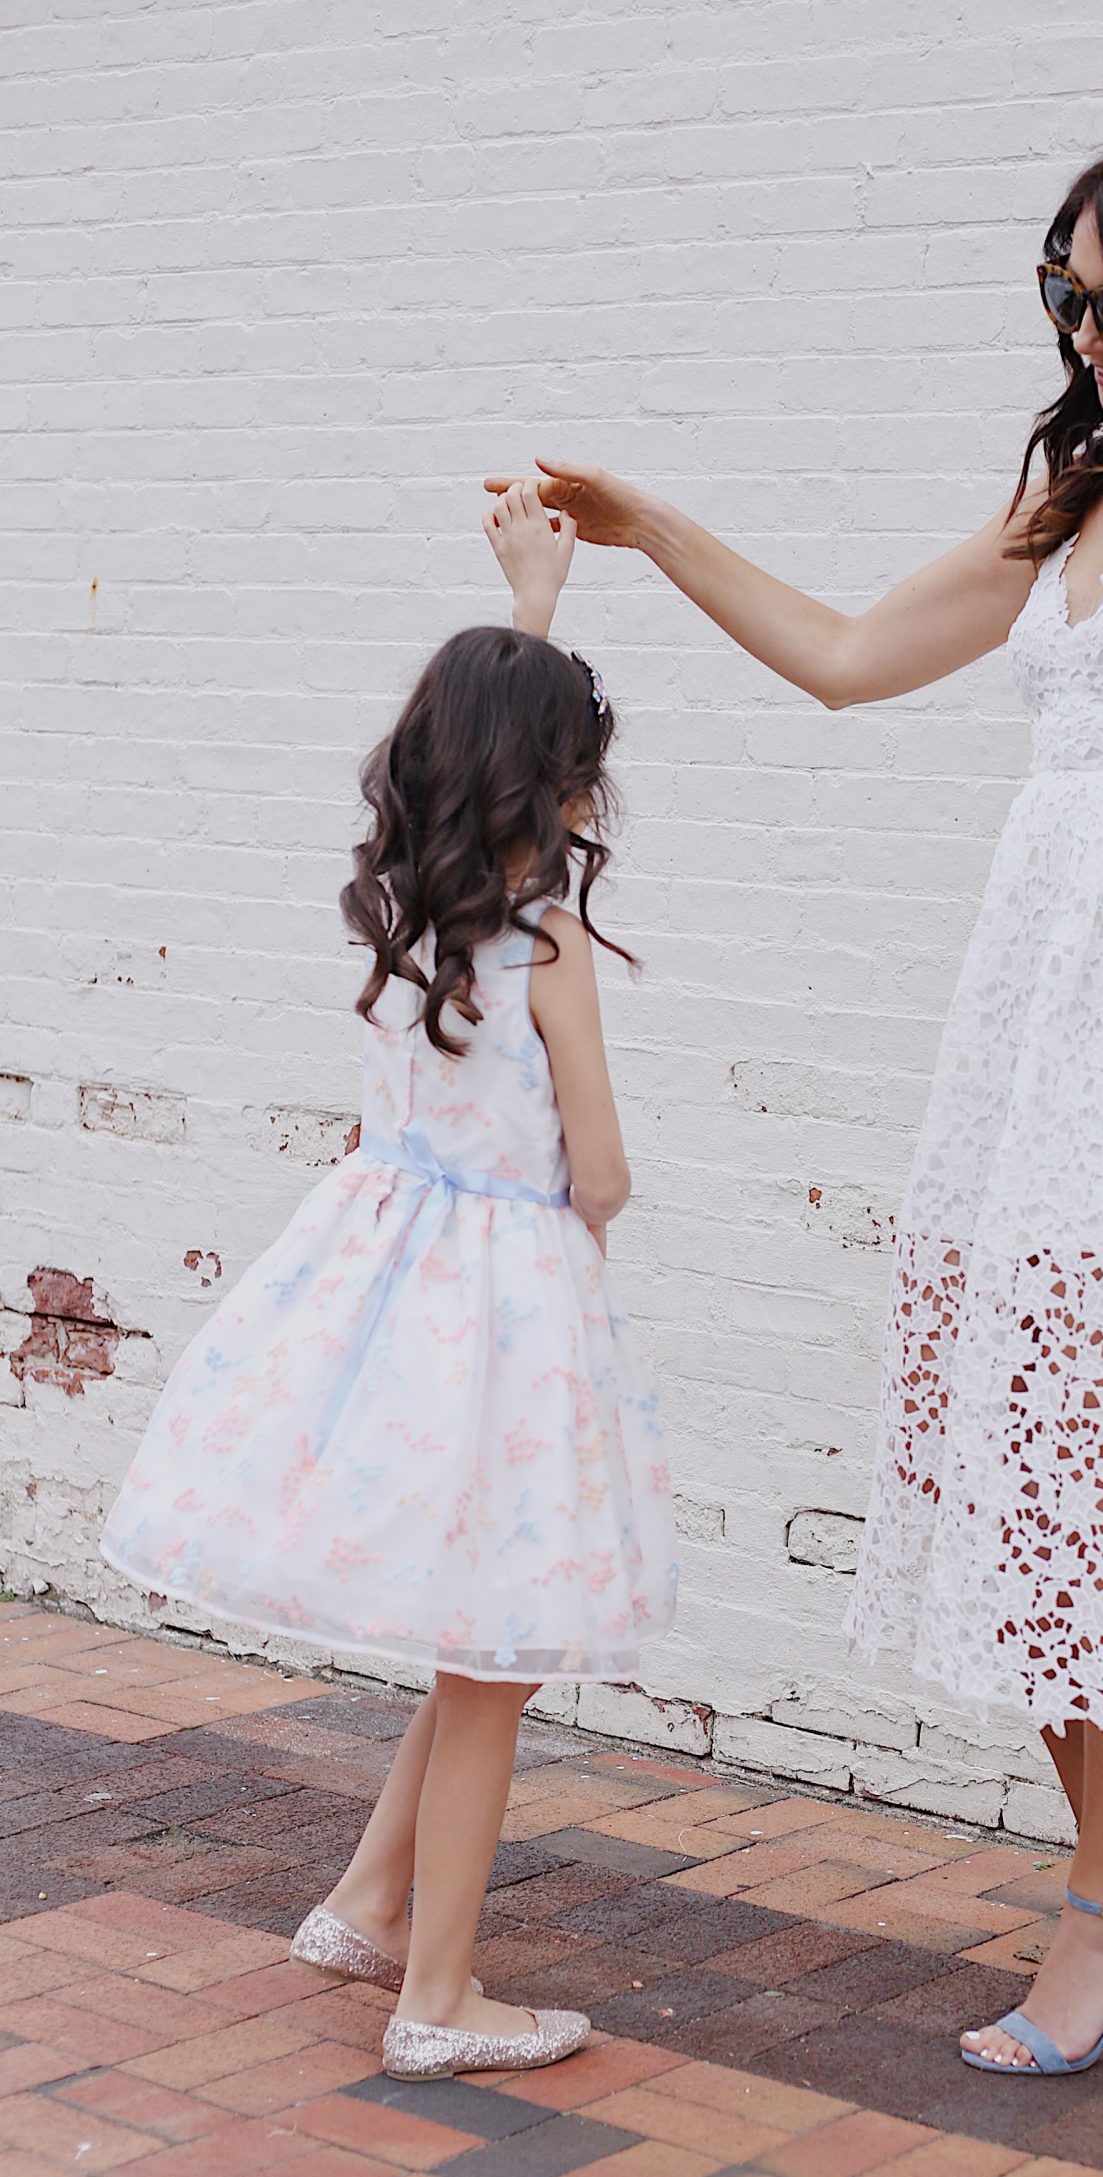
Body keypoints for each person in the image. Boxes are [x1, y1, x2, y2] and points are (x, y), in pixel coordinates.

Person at [487, 120, 1103, 2076]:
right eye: (1056, 294)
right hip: (1029, 1034)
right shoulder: (1074, 497)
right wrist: (652, 532)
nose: (1079, 332)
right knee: (1019, 1453)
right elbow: (838, 654)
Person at [102, 485, 677, 2079]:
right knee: (497, 1649)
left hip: (383, 1278)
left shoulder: (409, 913)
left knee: (471, 1627)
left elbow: (486, 725)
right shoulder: (545, 947)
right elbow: (606, 1168)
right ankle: (440, 1996)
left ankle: (366, 1904)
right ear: (552, 786)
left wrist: (531, 605)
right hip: (507, 1297)